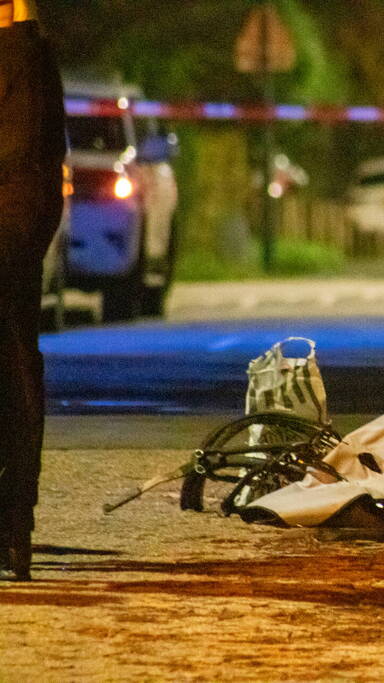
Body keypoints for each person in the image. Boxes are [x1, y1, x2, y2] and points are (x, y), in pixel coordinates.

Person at [0, 0, 66, 581]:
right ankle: (15, 527)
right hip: (22, 225)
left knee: (16, 370)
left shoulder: (19, 55)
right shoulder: (33, 55)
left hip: (10, 225)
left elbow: (21, 153)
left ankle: (14, 525)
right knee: (18, 367)